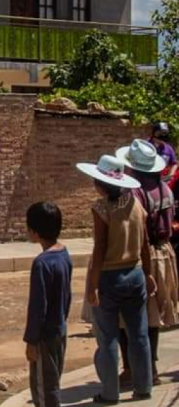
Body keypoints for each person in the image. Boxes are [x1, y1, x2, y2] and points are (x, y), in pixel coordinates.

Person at [76, 154, 154, 404]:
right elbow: (145, 243)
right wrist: (149, 274)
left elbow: (100, 248)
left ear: (101, 183)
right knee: (138, 334)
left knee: (108, 337)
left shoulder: (101, 209)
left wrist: (92, 285)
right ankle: (144, 387)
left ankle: (109, 393)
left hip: (110, 276)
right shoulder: (136, 204)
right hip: (136, 272)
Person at [115, 139, 179, 386]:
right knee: (154, 317)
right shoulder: (166, 190)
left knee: (126, 315)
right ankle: (151, 365)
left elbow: (135, 227)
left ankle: (131, 368)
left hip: (142, 255)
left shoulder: (133, 193)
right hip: (164, 253)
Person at [24, 202, 72, 407]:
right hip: (60, 328)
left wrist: (31, 340)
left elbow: (38, 306)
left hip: (45, 335)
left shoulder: (42, 263)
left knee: (44, 388)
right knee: (53, 380)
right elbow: (67, 295)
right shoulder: (64, 254)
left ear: (35, 232)